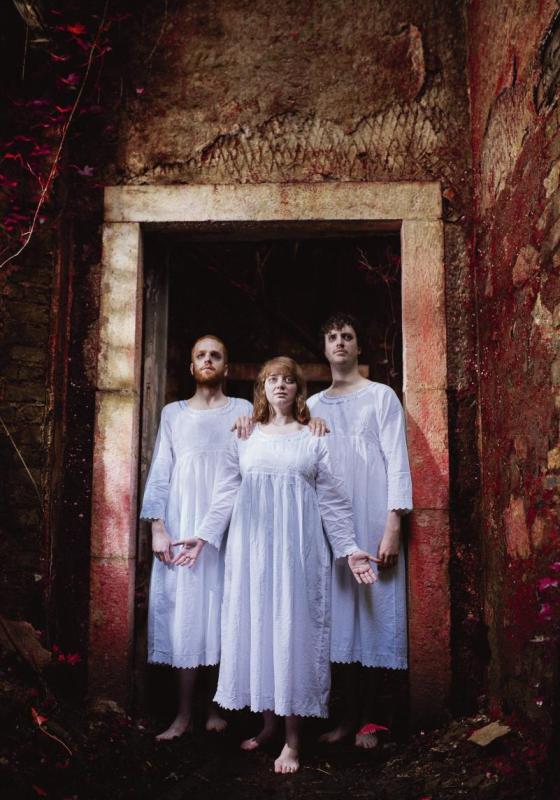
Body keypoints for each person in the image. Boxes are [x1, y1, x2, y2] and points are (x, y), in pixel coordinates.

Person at [175, 357, 378, 773]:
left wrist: (351, 548)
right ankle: (269, 727)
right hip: (252, 554)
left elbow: (334, 503)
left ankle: (292, 741)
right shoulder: (246, 437)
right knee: (261, 631)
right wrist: (204, 534)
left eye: (288, 380)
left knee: (292, 635)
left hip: (297, 555)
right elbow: (226, 492)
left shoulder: (313, 438)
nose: (281, 386)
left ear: (298, 390)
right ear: (262, 389)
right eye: (273, 380)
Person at [307, 312, 413, 749]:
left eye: (348, 336)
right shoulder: (311, 407)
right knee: (339, 621)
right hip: (333, 528)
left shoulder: (381, 397)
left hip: (373, 521)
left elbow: (397, 462)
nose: (340, 342)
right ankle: (346, 718)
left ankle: (376, 720)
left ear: (358, 346)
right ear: (324, 347)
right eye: (332, 336)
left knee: (378, 614)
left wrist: (393, 525)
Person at [139, 335, 252, 740]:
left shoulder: (243, 410)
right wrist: (157, 526)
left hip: (227, 526)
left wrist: (252, 424)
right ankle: (183, 713)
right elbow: (161, 471)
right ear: (191, 368)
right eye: (200, 355)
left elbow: (260, 454)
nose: (207, 360)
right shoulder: (173, 413)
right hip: (182, 519)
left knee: (222, 612)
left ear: (227, 367)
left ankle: (215, 707)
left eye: (215, 355)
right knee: (186, 615)